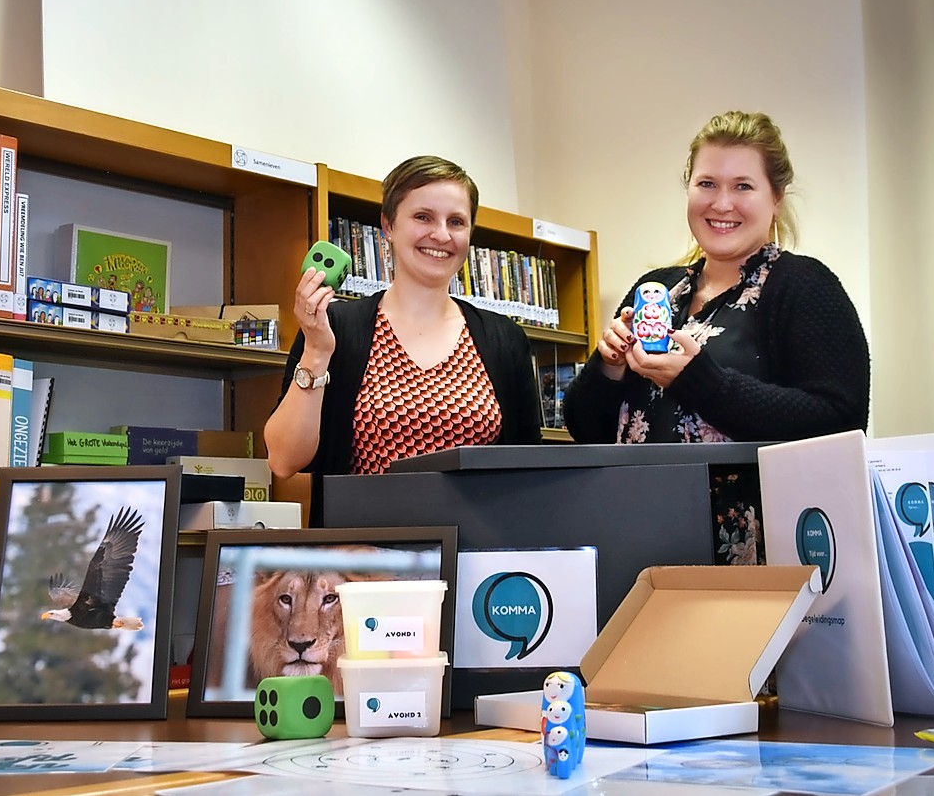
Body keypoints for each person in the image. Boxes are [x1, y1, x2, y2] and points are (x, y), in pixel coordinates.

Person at [562, 110, 870, 563]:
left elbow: (839, 420)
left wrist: (699, 380)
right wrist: (606, 368)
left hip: (755, 556)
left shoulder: (803, 286)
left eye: (743, 186)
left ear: (777, 198)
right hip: (638, 542)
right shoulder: (659, 288)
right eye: (707, 184)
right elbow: (587, 430)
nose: (721, 204)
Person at [264, 155, 542, 525]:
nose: (441, 235)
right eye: (423, 217)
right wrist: (316, 352)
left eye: (456, 222)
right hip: (361, 569)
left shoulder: (503, 339)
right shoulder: (335, 329)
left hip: (472, 562)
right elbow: (283, 460)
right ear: (388, 225)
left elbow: (530, 472)